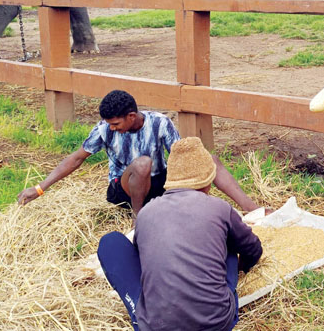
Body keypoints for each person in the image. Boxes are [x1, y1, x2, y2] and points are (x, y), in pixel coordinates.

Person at [17, 90, 263, 226]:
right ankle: (139, 221)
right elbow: (75, 159)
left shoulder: (159, 123)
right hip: (124, 189)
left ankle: (252, 209)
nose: (112, 128)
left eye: (116, 123)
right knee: (143, 163)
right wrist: (39, 189)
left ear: (132, 116)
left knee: (209, 159)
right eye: (109, 124)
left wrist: (196, 179)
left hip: (160, 185)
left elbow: (180, 156)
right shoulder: (103, 129)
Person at [97, 137, 263, 331]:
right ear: (208, 182)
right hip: (216, 324)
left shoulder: (146, 213)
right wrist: (240, 265)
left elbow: (143, 261)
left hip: (156, 326)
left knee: (111, 242)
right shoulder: (220, 208)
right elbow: (253, 250)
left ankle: (141, 314)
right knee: (227, 239)